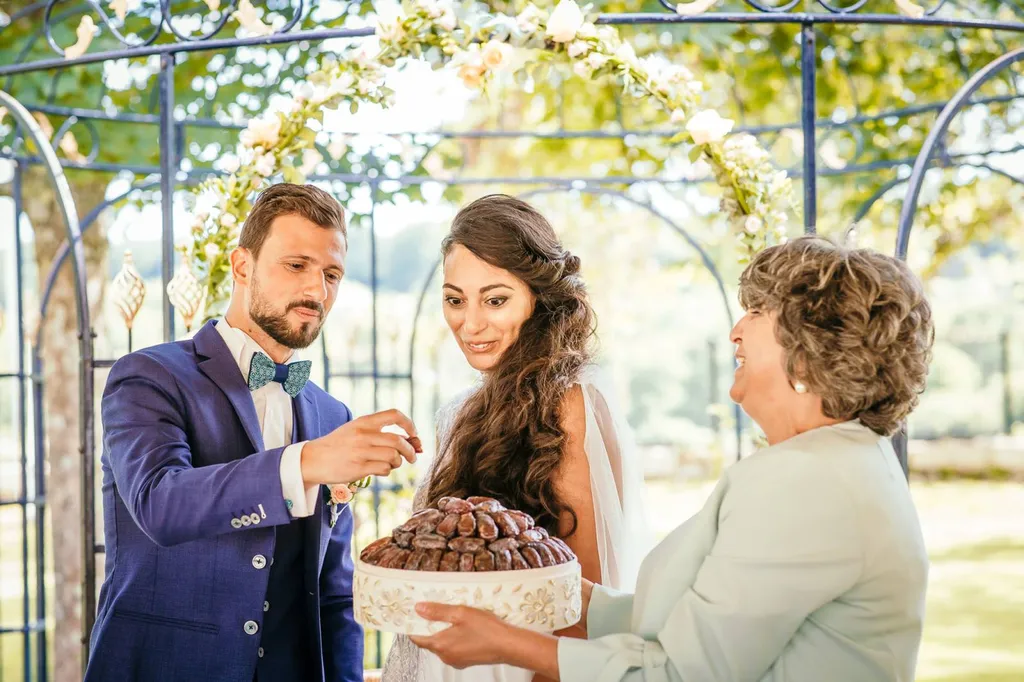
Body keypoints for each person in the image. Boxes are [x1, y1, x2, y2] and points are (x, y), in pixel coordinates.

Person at [409, 235, 935, 682]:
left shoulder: (807, 480)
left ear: (809, 348)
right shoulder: (845, 462)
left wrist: (508, 644)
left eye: (757, 312)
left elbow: (684, 673)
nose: (736, 331)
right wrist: (540, 587)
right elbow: (690, 622)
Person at [86, 183, 419, 682]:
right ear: (243, 266)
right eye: (296, 265)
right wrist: (306, 463)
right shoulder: (149, 376)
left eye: (331, 274)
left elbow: (333, 591)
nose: (317, 291)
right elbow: (159, 504)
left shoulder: (332, 414)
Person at [383, 194, 652, 682]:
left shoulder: (572, 403)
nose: (470, 323)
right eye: (455, 300)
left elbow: (580, 605)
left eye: (495, 299)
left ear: (539, 298)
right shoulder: (460, 412)